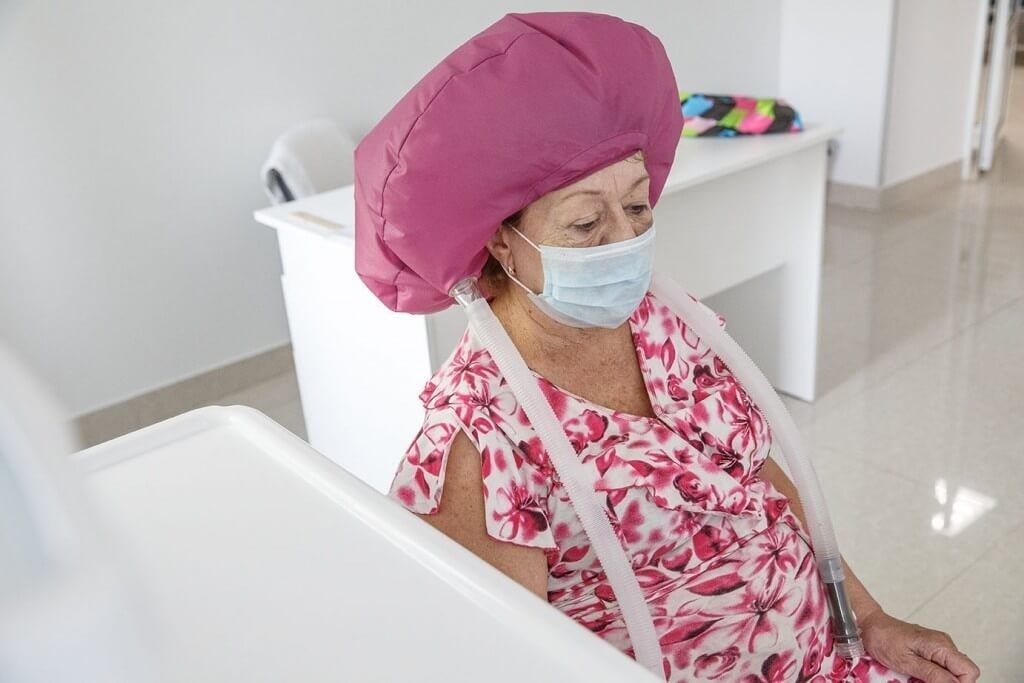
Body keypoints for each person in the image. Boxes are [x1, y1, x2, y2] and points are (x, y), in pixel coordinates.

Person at [353, 11, 980, 683]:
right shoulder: (479, 445)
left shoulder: (666, 322)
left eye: (638, 207)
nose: (625, 242)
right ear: (502, 242)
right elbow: (509, 661)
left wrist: (868, 617)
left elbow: (754, 481)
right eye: (586, 222)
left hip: (833, 654)